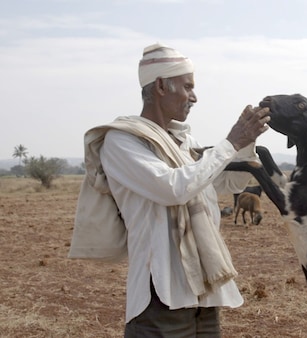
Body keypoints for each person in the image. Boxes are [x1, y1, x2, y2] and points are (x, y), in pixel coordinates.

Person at [69, 42, 271, 337]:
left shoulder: (182, 141)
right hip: (161, 293)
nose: (194, 97)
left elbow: (228, 183)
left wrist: (247, 140)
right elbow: (173, 188)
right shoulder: (123, 141)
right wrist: (230, 143)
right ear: (162, 85)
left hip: (204, 288)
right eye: (188, 86)